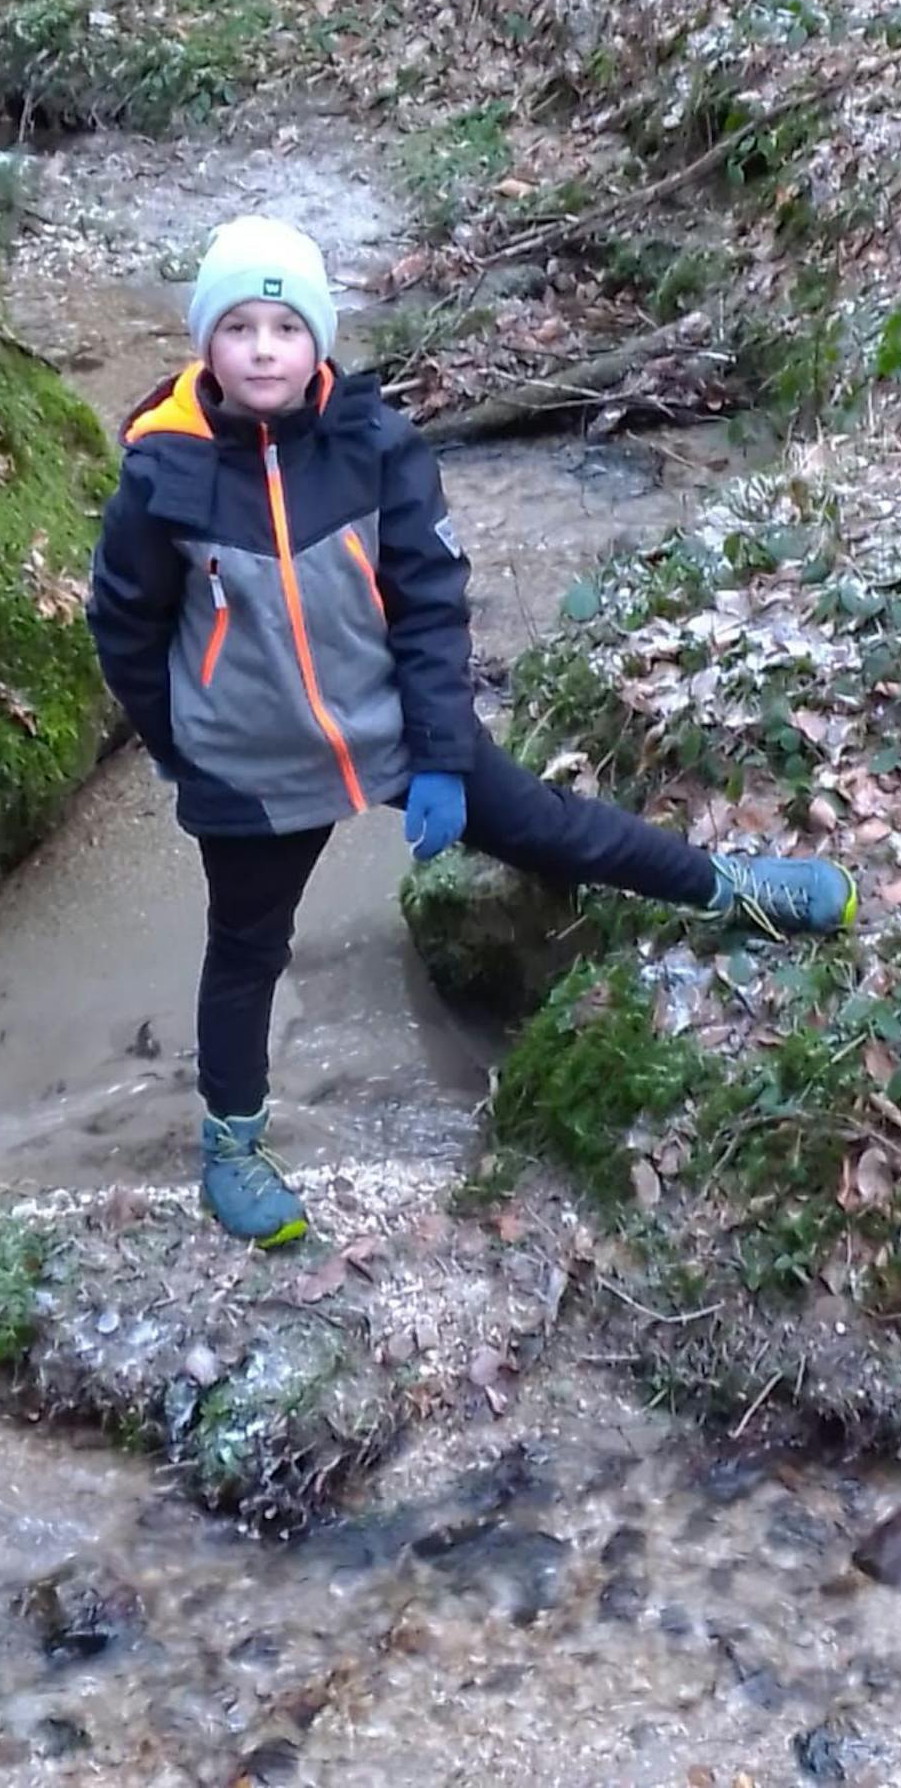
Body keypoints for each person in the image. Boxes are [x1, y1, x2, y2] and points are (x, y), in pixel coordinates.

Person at [87, 216, 855, 1247]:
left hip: (393, 726)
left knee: (549, 824)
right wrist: (187, 746)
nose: (263, 347)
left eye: (284, 324)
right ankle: (232, 1146)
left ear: (318, 339)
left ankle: (727, 887)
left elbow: (429, 603)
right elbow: (124, 626)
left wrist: (442, 756)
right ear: (204, 345)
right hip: (252, 765)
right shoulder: (161, 473)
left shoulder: (374, 443)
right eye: (238, 327)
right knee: (245, 952)